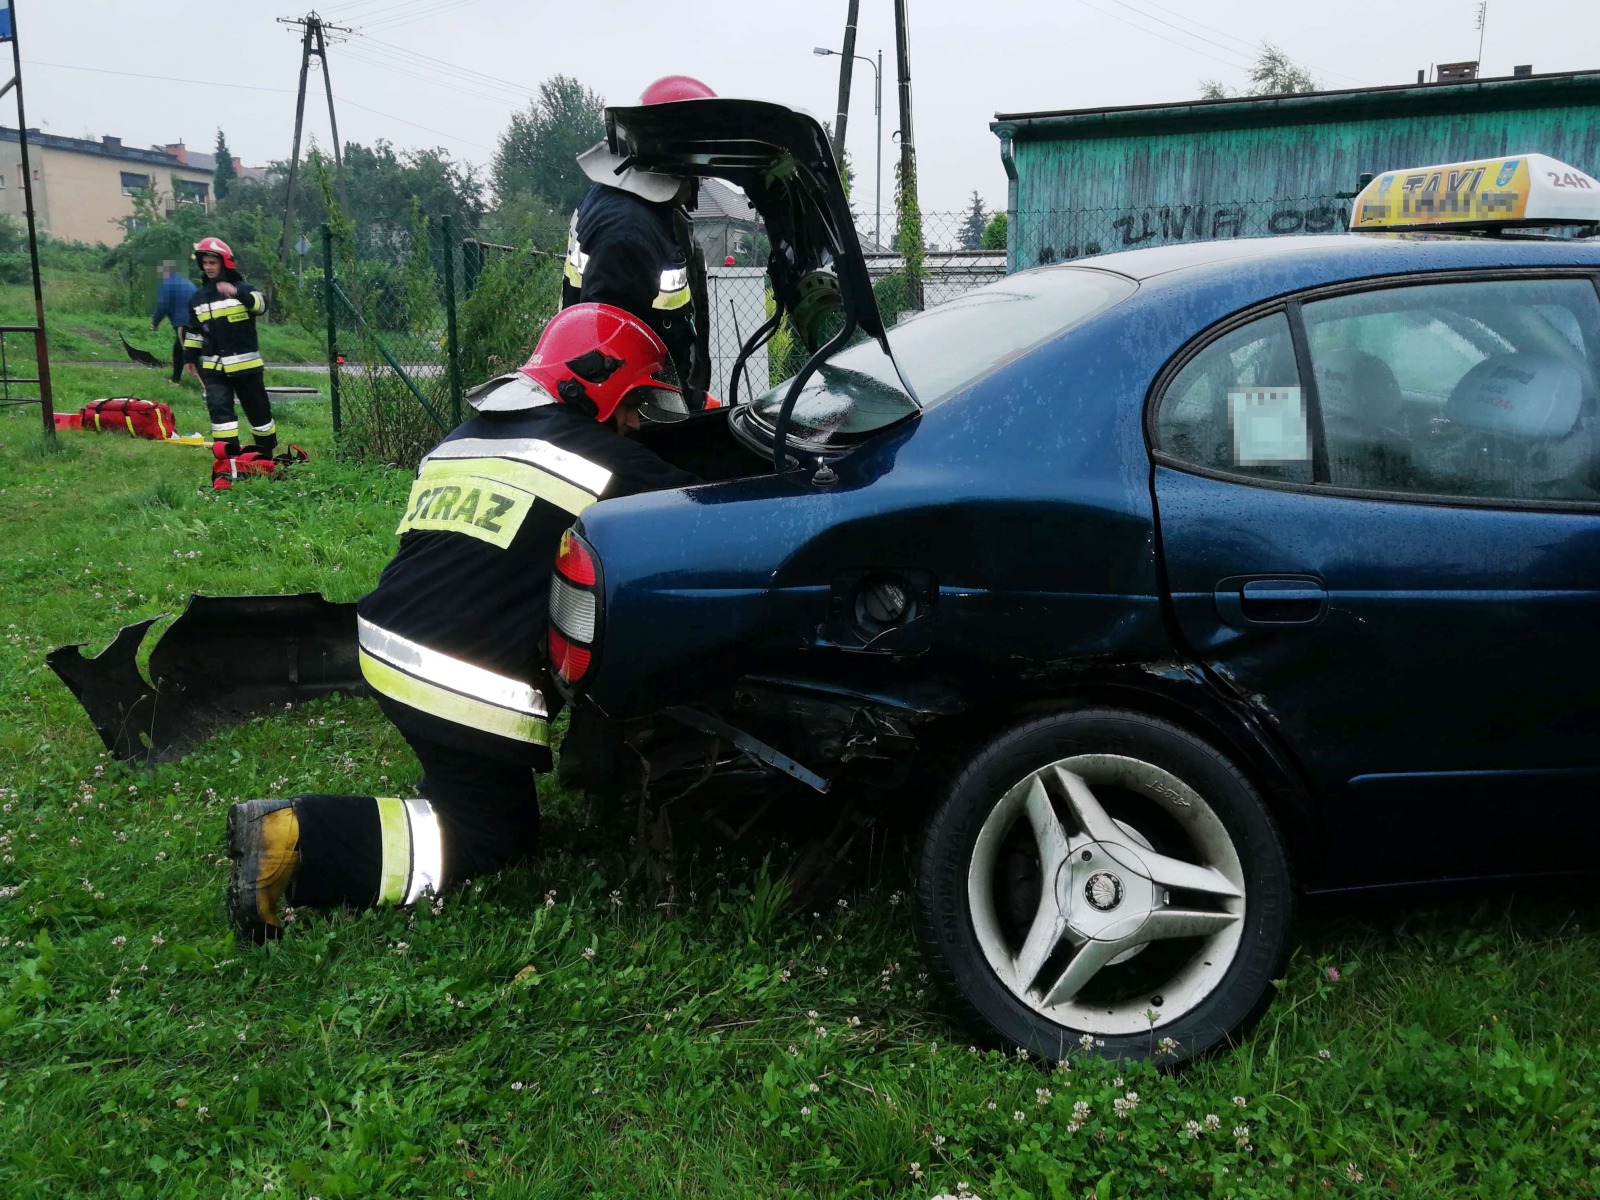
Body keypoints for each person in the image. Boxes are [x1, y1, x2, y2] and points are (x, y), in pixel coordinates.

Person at [224, 303, 702, 943]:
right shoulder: (598, 456)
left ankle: (444, 776)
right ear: (597, 384)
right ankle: (297, 835)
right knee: (491, 835)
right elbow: (704, 507)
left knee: (465, 781)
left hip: (386, 639)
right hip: (453, 678)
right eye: (633, 403)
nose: (635, 422)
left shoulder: (463, 438)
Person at [563, 74, 716, 408]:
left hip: (652, 394)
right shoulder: (629, 230)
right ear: (679, 154)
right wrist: (627, 409)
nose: (705, 175)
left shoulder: (625, 203)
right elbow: (608, 349)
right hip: (635, 407)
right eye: (702, 156)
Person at [185, 236, 276, 456]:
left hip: (247, 369)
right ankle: (228, 459)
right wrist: (189, 357)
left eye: (212, 263)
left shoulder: (244, 289)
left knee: (259, 413)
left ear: (224, 263)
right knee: (220, 416)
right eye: (205, 263)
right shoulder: (198, 298)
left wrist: (237, 293)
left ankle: (266, 456)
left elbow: (262, 305)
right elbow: (195, 330)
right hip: (215, 370)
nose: (208, 267)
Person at [150, 259, 197, 385]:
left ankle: (205, 386)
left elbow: (162, 306)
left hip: (183, 324)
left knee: (185, 352)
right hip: (197, 321)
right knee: (182, 350)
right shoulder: (187, 282)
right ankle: (176, 379)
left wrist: (155, 323)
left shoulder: (167, 284)